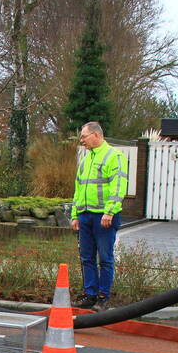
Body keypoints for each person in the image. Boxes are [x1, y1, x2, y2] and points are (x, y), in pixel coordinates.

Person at [71, 121, 128, 312]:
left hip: (104, 217)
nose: (81, 141)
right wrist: (75, 215)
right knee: (86, 258)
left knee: (105, 258)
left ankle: (103, 297)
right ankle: (90, 295)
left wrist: (109, 211)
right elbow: (78, 189)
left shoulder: (114, 156)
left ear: (96, 135)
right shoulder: (86, 160)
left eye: (84, 136)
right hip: (85, 216)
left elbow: (118, 186)